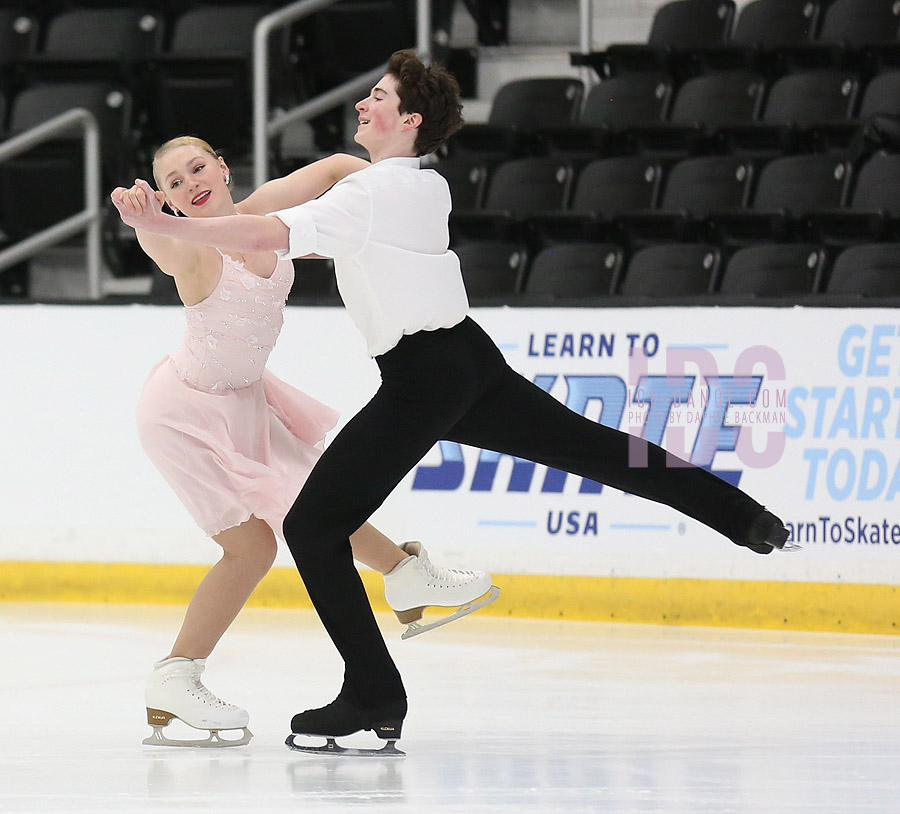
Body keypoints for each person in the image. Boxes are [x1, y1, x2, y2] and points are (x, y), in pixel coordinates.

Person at [111, 51, 793, 754]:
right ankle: (745, 519)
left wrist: (169, 223)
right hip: (469, 358)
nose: (361, 106)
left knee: (314, 528)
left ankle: (373, 690)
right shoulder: (422, 185)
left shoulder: (366, 200)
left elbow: (267, 228)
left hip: (421, 379)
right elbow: (319, 184)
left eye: (376, 97)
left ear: (408, 118)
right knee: (596, 449)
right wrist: (164, 226)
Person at [111, 135, 497, 748]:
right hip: (185, 414)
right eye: (175, 183)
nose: (192, 183)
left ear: (223, 167)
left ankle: (404, 575)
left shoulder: (262, 213)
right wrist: (146, 221)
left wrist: (380, 177)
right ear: (171, 202)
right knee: (253, 549)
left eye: (198, 168)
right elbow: (162, 246)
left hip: (247, 399)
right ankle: (175, 676)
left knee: (319, 504)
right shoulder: (192, 249)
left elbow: (333, 170)